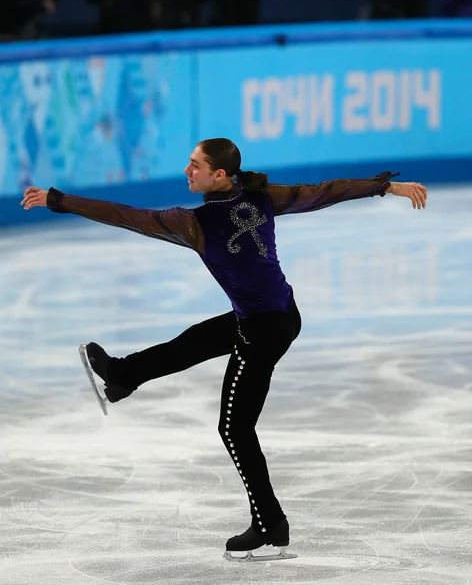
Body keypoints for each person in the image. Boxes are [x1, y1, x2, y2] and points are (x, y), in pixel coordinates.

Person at [20, 138, 427, 561]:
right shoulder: (259, 197)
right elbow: (323, 191)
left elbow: (129, 216)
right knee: (198, 339)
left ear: (219, 175)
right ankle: (123, 375)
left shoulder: (194, 223)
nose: (186, 171)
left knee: (234, 429)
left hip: (263, 331)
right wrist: (384, 188)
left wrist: (61, 200)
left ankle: (271, 526)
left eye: (195, 165)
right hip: (281, 314)